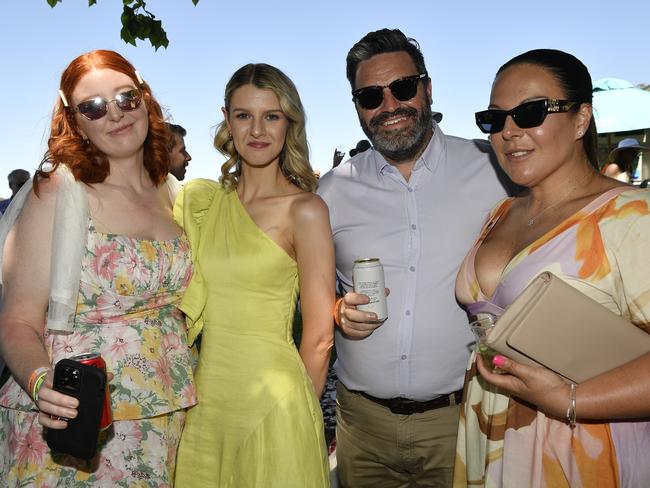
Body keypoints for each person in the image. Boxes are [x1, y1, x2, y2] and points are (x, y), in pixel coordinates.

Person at [317, 28, 512, 487]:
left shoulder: (493, 171)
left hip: (458, 419)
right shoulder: (332, 191)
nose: (389, 106)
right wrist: (334, 311)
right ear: (357, 106)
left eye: (402, 88)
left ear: (426, 88)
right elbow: (309, 294)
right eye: (370, 96)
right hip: (360, 428)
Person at [454, 48, 650, 487]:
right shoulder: (501, 213)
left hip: (580, 445)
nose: (508, 132)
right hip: (491, 435)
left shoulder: (632, 216)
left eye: (530, 112)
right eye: (494, 119)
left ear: (581, 119)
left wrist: (569, 399)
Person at [0, 49, 197, 485]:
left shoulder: (171, 191)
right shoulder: (60, 189)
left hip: (164, 411)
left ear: (144, 98)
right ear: (76, 120)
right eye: (93, 106)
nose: (115, 115)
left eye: (126, 97)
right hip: (75, 418)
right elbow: (16, 320)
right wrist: (41, 386)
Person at [174, 63, 335, 487]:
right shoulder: (204, 204)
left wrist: (296, 415)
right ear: (227, 120)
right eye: (244, 115)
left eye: (272, 116)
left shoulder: (305, 210)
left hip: (275, 403)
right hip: (205, 404)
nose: (257, 130)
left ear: (289, 125)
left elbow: (319, 337)